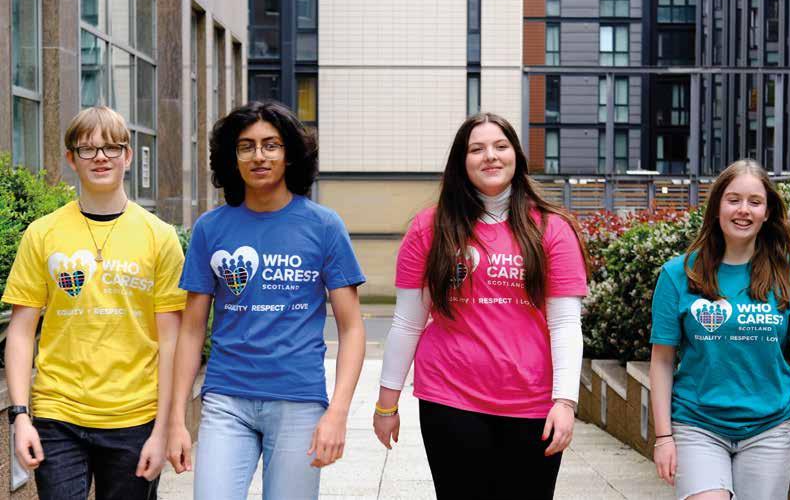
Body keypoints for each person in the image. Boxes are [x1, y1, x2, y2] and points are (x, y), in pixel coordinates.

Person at [372, 113, 589, 499]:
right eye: (477, 149)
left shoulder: (552, 228)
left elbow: (566, 325)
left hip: (532, 401)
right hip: (450, 397)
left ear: (516, 156)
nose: (490, 156)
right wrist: (386, 404)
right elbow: (407, 323)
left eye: (500, 146)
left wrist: (565, 402)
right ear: (462, 161)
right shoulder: (429, 228)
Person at [166, 101, 366, 500]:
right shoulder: (210, 228)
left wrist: (338, 412)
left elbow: (352, 328)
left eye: (271, 145)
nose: (259, 155)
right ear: (233, 158)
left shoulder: (324, 226)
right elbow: (191, 331)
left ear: (289, 154)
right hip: (226, 399)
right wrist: (176, 419)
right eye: (246, 146)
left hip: (298, 399)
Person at [3, 106, 186, 500]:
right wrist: (20, 416)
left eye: (111, 147)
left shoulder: (159, 237)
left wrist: (165, 428)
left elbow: (172, 341)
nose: (101, 157)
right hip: (58, 414)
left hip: (135, 417)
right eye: (87, 149)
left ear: (128, 156)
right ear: (72, 159)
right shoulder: (42, 233)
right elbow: (20, 331)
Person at [649, 159, 790, 500]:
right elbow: (661, 360)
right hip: (697, 424)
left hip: (769, 428)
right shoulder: (677, 274)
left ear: (767, 212)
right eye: (733, 200)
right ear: (717, 206)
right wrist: (663, 437)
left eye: (754, 202)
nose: (743, 210)